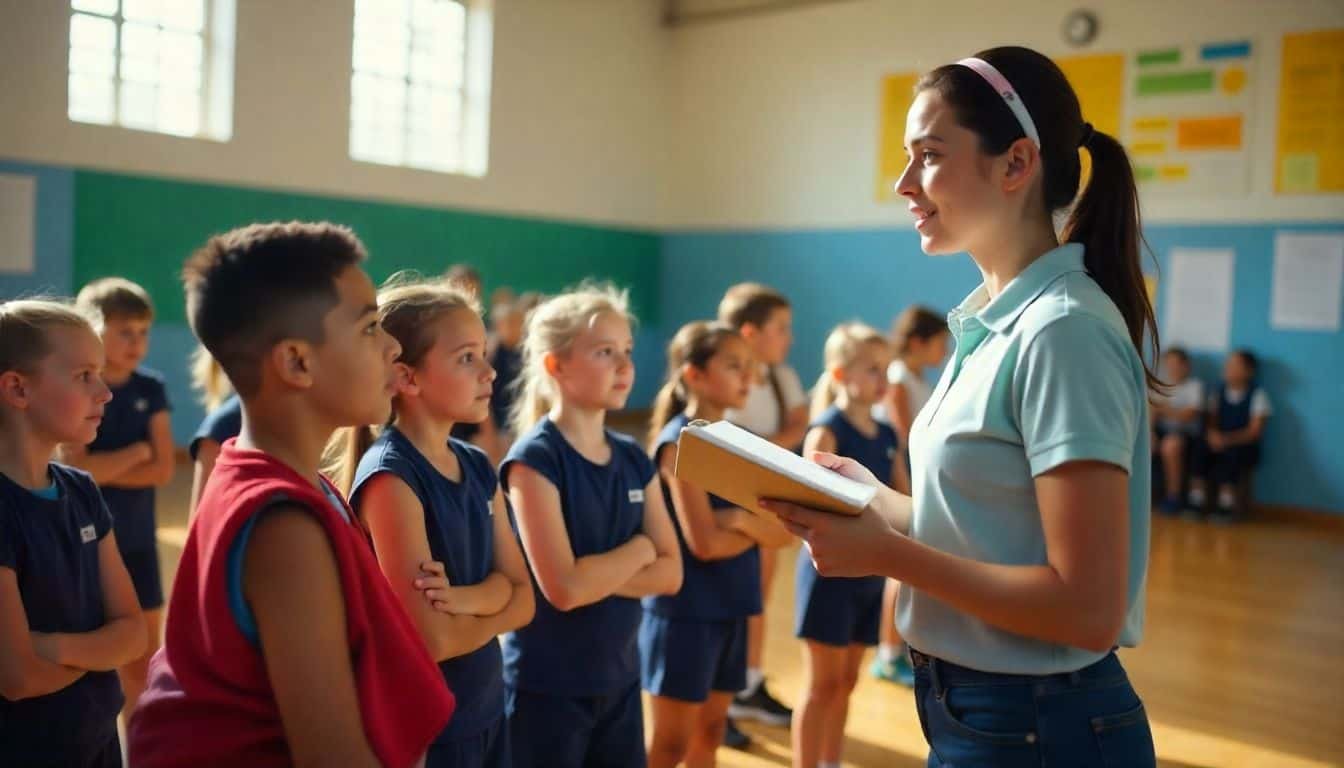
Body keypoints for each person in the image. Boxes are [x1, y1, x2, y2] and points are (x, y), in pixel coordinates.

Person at [766, 48, 1157, 766]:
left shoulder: (1063, 331)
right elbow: (990, 535)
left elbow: (1086, 606)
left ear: (1016, 164)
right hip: (978, 709)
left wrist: (890, 556)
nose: (904, 183)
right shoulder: (991, 325)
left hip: (1041, 722)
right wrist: (876, 503)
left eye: (929, 156)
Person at [127, 222, 455, 767]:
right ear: (297, 362)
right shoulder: (286, 528)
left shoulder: (297, 481)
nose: (394, 345)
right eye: (371, 327)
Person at [501, 285, 682, 768]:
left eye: (626, 351)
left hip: (621, 680)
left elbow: (672, 575)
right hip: (546, 688)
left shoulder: (630, 456)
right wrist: (641, 549)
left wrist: (595, 575)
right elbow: (564, 589)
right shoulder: (533, 461)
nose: (625, 365)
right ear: (556, 366)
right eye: (605, 352)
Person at [0, 298, 147, 767]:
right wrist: (98, 655)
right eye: (84, 375)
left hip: (98, 744)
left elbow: (134, 632)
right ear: (18, 389)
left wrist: (52, 648)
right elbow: (18, 676)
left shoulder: (80, 489)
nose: (105, 392)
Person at [642, 321, 791, 768]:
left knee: (711, 733)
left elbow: (783, 534)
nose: (749, 377)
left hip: (733, 607)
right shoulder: (678, 443)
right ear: (695, 374)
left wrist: (738, 521)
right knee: (671, 746)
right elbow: (703, 543)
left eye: (750, 367)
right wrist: (750, 525)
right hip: (685, 615)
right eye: (733, 366)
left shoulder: (738, 442)